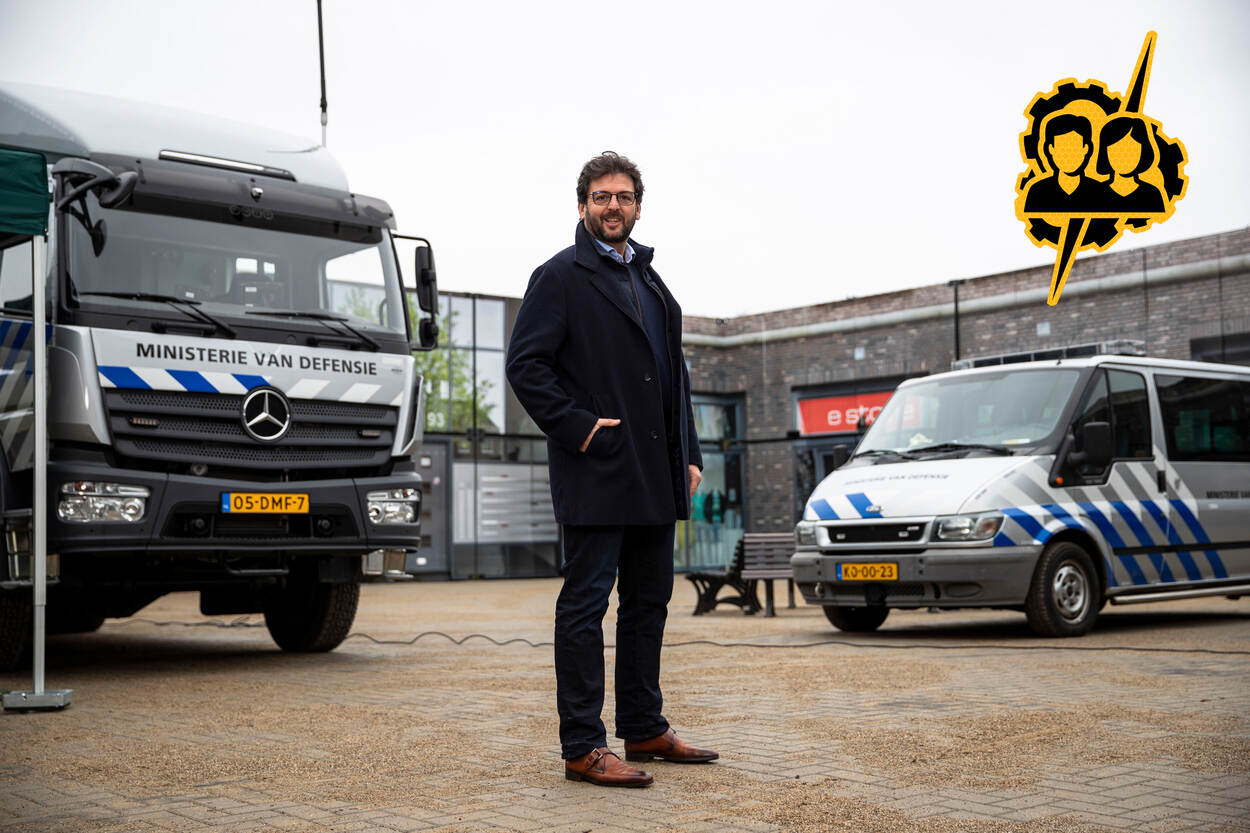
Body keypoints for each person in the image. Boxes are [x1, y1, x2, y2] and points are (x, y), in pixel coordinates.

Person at [505, 151, 717, 788]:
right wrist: (582, 429)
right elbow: (526, 366)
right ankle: (582, 747)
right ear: (582, 206)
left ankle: (644, 726)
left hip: (655, 470)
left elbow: (674, 376)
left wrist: (690, 452)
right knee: (586, 604)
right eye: (601, 197)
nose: (613, 206)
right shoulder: (559, 277)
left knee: (649, 602)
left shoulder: (650, 281)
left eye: (623, 196)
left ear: (638, 207)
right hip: (597, 468)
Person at [1022, 113, 1114, 213]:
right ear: (1051, 149)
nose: (1069, 154)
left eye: (1075, 147)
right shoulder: (1037, 192)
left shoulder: (1099, 192)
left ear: (1086, 148)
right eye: (1062, 147)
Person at [1094, 115, 1166, 214]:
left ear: (1143, 151)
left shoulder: (1152, 194)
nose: (1124, 156)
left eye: (1131, 149)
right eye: (1116, 149)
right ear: (1105, 152)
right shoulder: (1097, 194)